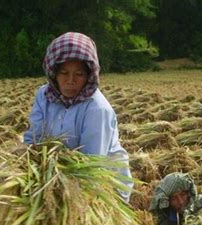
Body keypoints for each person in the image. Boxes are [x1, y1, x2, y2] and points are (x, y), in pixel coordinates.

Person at [22, 32, 132, 201]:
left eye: (79, 74)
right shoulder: (44, 95)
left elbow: (91, 167)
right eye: (64, 73)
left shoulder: (97, 109)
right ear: (53, 73)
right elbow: (33, 138)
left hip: (101, 185)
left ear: (89, 76)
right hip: (55, 175)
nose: (70, 80)